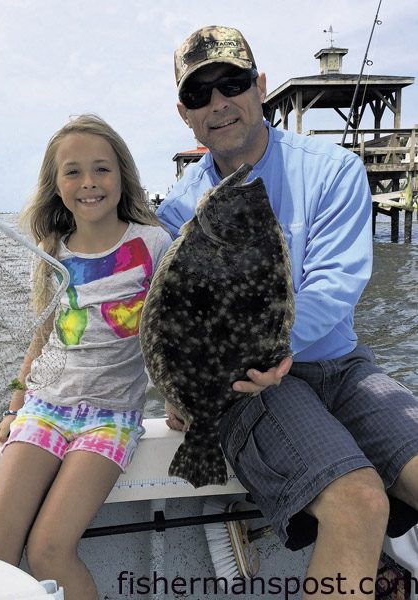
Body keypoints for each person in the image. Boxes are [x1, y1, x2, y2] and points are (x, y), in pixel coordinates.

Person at [156, 25, 418, 599]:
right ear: (185, 113)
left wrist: (279, 341)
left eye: (234, 83)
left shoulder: (331, 170)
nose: (219, 103)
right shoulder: (177, 212)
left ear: (261, 87)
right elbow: (172, 317)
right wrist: (182, 388)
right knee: (359, 501)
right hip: (248, 384)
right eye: (200, 94)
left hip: (341, 364)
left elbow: (334, 286)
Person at [0, 114, 171, 600]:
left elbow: (169, 333)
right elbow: (44, 337)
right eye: (72, 172)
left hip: (110, 419)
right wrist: (13, 406)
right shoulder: (52, 251)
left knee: (49, 550)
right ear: (56, 185)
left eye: (101, 169)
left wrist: (182, 399)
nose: (88, 183)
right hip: (44, 409)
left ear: (122, 175)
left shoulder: (152, 244)